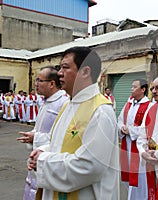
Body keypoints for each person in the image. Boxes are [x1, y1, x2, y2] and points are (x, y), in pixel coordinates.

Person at [27, 46, 120, 200]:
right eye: (59, 68)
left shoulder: (100, 111)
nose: (59, 73)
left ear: (85, 71)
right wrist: (42, 150)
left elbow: (90, 166)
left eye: (65, 67)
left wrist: (43, 162)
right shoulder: (67, 105)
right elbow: (58, 142)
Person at [17, 66, 69, 200]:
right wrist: (32, 135)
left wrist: (36, 137)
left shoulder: (63, 103)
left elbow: (61, 136)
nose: (36, 84)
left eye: (39, 80)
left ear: (52, 84)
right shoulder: (46, 102)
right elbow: (41, 128)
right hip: (36, 157)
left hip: (49, 159)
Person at [118, 79, 152, 200]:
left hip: (139, 146)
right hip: (127, 143)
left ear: (143, 90)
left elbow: (148, 127)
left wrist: (131, 131)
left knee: (140, 177)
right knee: (129, 174)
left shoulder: (149, 106)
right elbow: (120, 119)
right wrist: (121, 127)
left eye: (134, 87)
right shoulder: (129, 104)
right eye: (131, 86)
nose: (131, 89)